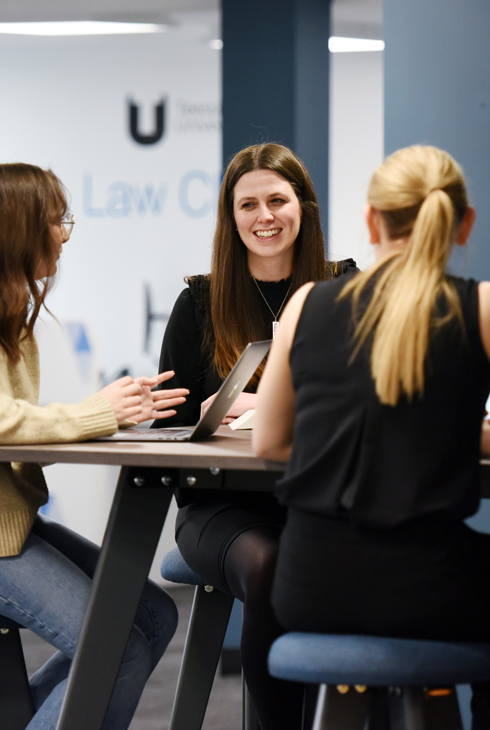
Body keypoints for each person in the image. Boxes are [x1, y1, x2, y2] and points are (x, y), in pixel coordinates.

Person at [253, 144, 490, 730]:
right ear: (463, 222)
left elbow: (269, 444)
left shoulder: (306, 304)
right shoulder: (484, 307)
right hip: (428, 588)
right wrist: (480, 441)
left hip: (308, 585)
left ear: (371, 220)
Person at [0, 163, 187, 730]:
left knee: (153, 615)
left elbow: (10, 439)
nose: (65, 234)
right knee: (116, 645)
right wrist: (96, 414)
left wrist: (114, 416)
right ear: (15, 229)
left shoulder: (3, 310)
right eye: (55, 221)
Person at [152, 143, 356, 730]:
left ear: (304, 207)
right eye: (248, 204)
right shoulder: (198, 301)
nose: (263, 216)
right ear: (230, 215)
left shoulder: (345, 289)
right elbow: (168, 419)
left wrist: (265, 401)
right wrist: (205, 411)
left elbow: (374, 392)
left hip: (321, 499)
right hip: (222, 506)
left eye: (277, 200)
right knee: (270, 565)